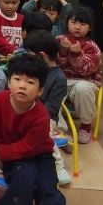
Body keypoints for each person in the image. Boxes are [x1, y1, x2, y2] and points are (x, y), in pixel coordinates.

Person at [0, 54, 75, 205]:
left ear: (40, 90)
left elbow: (29, 147)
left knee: (49, 190)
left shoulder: (41, 114)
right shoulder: (0, 100)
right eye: (17, 79)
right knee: (25, 174)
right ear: (9, 81)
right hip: (14, 158)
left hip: (41, 156)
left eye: (30, 82)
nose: (22, 86)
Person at [23, 30, 71, 185]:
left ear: (42, 56)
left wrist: (31, 113)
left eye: (30, 55)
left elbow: (52, 108)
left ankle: (58, 165)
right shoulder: (32, 70)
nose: (27, 58)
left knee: (43, 129)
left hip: (46, 117)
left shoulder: (59, 78)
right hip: (23, 111)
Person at [56, 6, 103, 144]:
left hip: (84, 81)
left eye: (82, 24)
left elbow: (87, 70)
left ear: (90, 27)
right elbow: (52, 64)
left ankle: (85, 126)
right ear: (67, 23)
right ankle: (57, 129)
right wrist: (63, 52)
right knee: (50, 87)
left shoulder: (92, 46)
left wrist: (76, 55)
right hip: (61, 79)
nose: (77, 27)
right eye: (74, 22)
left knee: (83, 88)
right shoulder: (58, 40)